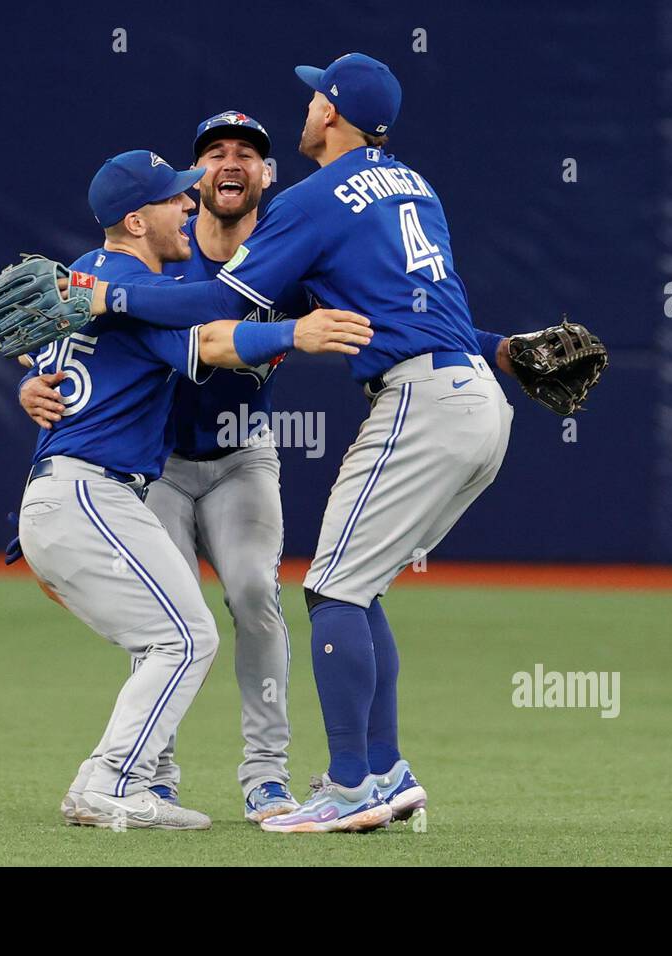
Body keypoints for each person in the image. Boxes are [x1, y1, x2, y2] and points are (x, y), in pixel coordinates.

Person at [66, 56, 517, 833]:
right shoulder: (414, 185)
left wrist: (108, 296)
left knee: (327, 592)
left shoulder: (311, 204)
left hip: (390, 408)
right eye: (213, 155)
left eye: (315, 97)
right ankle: (379, 768)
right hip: (466, 394)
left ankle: (343, 787)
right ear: (190, 182)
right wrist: (503, 352)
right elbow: (411, 306)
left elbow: (215, 305)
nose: (307, 106)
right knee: (356, 587)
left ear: (330, 118)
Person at [10, 148, 371, 829]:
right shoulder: (136, 289)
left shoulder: (82, 277)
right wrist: (297, 331)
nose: (190, 201)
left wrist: (27, 382)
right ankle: (117, 783)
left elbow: (46, 364)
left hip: (74, 493)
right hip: (92, 494)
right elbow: (212, 339)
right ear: (136, 220)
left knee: (178, 634)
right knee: (182, 640)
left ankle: (108, 776)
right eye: (177, 196)